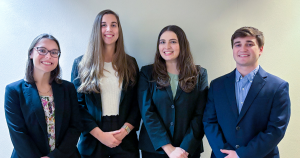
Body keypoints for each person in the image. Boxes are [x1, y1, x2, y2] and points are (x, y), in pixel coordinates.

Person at [203, 26, 291, 158]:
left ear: (261, 49)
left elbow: (276, 130)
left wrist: (241, 155)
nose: (243, 49)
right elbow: (209, 122)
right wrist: (225, 154)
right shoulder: (217, 85)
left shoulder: (278, 87)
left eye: (249, 44)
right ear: (233, 49)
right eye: (238, 44)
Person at [71, 9, 140, 158]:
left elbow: (137, 103)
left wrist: (125, 131)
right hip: (93, 138)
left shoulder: (131, 63)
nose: (109, 29)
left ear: (119, 30)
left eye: (113, 25)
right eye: (103, 25)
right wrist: (101, 135)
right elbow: (77, 107)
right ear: (97, 29)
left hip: (125, 139)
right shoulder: (81, 64)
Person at [4, 34, 82, 158]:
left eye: (54, 52)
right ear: (31, 53)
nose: (48, 56)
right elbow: (18, 133)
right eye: (42, 50)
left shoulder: (68, 88)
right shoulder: (13, 91)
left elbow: (75, 126)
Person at [138, 25, 208, 158]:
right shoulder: (147, 73)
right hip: (155, 149)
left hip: (188, 150)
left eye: (173, 41)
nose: (167, 46)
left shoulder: (200, 74)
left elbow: (200, 115)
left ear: (182, 44)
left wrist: (184, 150)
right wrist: (169, 149)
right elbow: (147, 112)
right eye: (162, 42)